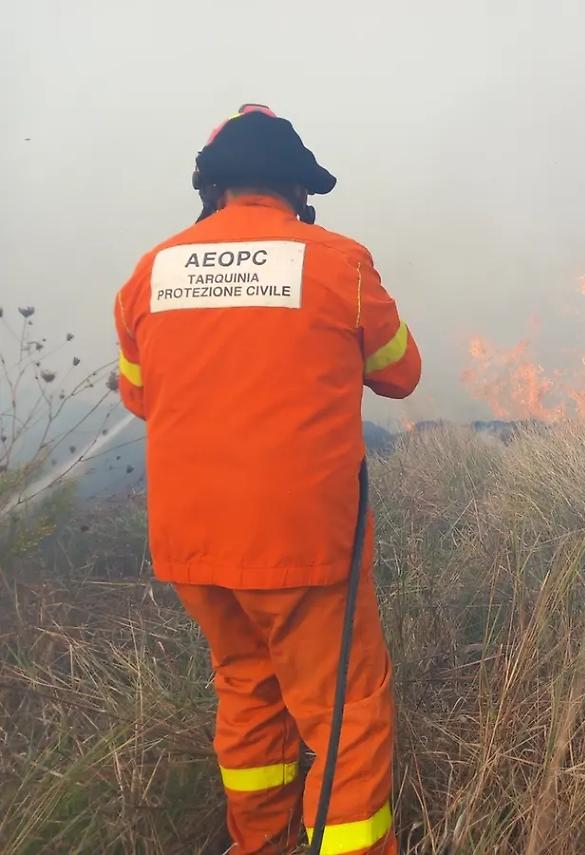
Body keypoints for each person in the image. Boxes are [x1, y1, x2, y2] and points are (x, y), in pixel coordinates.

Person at [114, 104, 420, 854]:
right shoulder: (338, 261)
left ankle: (261, 843)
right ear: (298, 188)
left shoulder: (152, 270)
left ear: (211, 188)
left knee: (248, 690)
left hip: (193, 544)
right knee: (345, 712)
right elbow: (400, 374)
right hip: (300, 543)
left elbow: (139, 396)